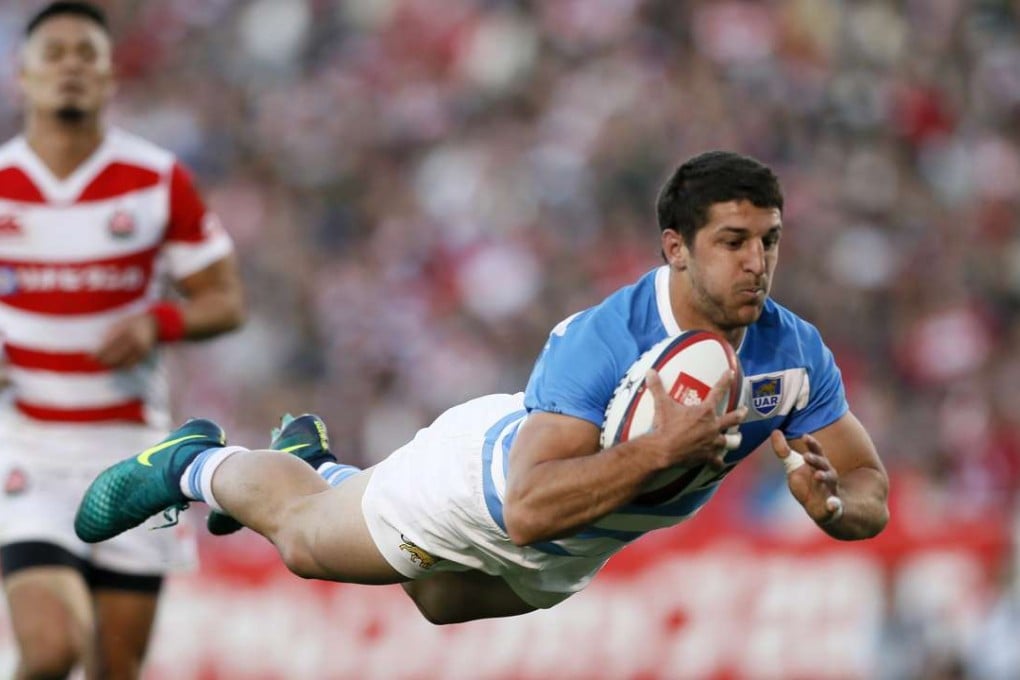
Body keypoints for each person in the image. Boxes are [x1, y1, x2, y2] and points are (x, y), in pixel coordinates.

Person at [75, 150, 887, 626]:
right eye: (734, 241)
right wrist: (658, 449)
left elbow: (866, 484)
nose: (757, 262)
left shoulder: (794, 353)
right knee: (302, 541)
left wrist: (838, 511)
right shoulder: (602, 341)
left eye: (771, 241)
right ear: (676, 248)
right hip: (482, 491)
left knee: (434, 602)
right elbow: (529, 509)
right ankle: (195, 463)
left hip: (574, 552)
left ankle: (320, 466)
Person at [0, 2, 245, 678]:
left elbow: (226, 300)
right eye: (55, 54)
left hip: (133, 453)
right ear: (23, 74)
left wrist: (157, 323)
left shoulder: (158, 180)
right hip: (29, 448)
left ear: (111, 78)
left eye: (88, 54)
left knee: (116, 667)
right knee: (51, 647)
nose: (72, 66)